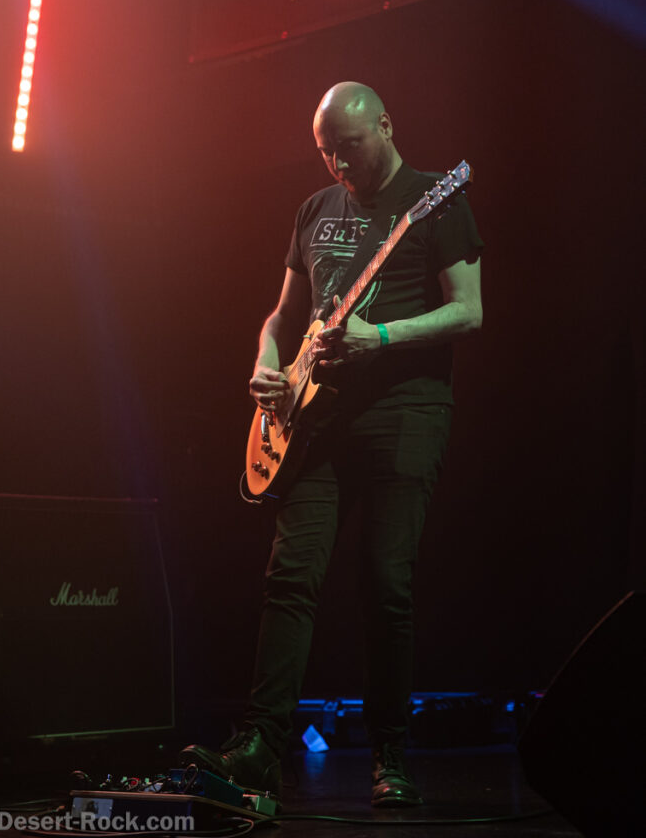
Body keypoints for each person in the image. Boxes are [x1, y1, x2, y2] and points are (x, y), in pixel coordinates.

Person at [181, 82, 483, 806]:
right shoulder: (315, 209)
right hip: (313, 421)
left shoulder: (435, 200)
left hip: (403, 411)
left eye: (348, 147)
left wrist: (382, 337)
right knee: (289, 576)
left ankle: (390, 755)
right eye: (325, 152)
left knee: (385, 583)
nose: (338, 165)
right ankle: (260, 746)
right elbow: (281, 317)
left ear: (385, 125)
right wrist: (266, 364)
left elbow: (469, 312)